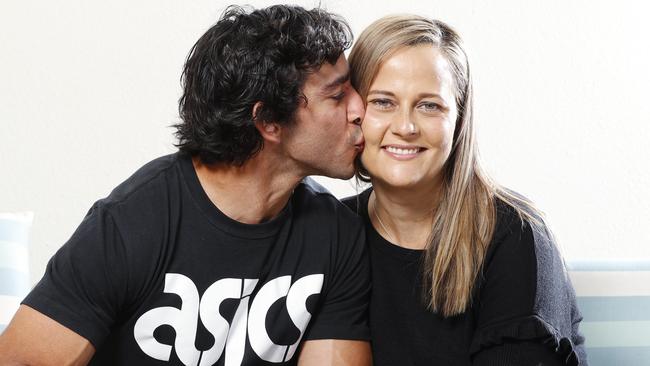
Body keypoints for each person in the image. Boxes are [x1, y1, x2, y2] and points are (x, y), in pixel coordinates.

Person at [0, 5, 372, 365]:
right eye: (338, 95)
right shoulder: (132, 223)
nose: (361, 108)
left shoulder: (335, 234)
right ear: (269, 121)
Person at [344, 15, 587, 365]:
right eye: (383, 102)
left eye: (430, 105)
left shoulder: (517, 237)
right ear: (353, 111)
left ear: (459, 122)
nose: (406, 126)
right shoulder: (333, 229)